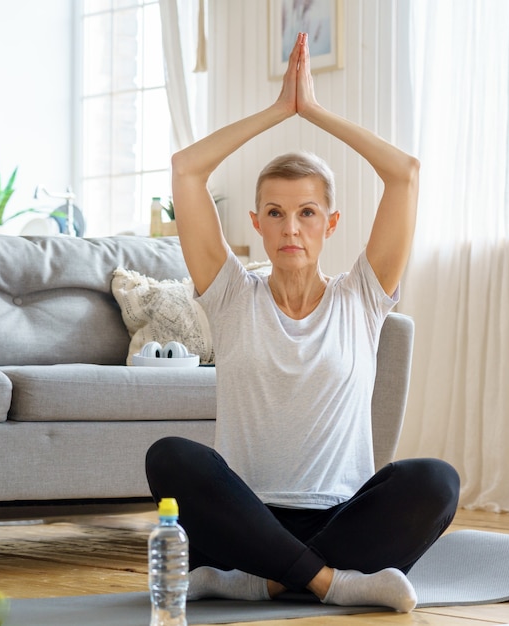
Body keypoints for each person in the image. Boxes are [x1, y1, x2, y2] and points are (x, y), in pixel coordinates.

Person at [146, 32, 460, 613]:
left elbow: (406, 174)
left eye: (307, 213)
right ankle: (330, 584)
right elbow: (186, 170)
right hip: (246, 514)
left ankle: (258, 581)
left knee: (437, 481)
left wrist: (313, 111)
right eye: (276, 213)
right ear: (257, 224)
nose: (291, 228)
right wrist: (276, 112)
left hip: (340, 514)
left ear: (331, 223)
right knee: (168, 456)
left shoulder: (363, 296)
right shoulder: (231, 295)